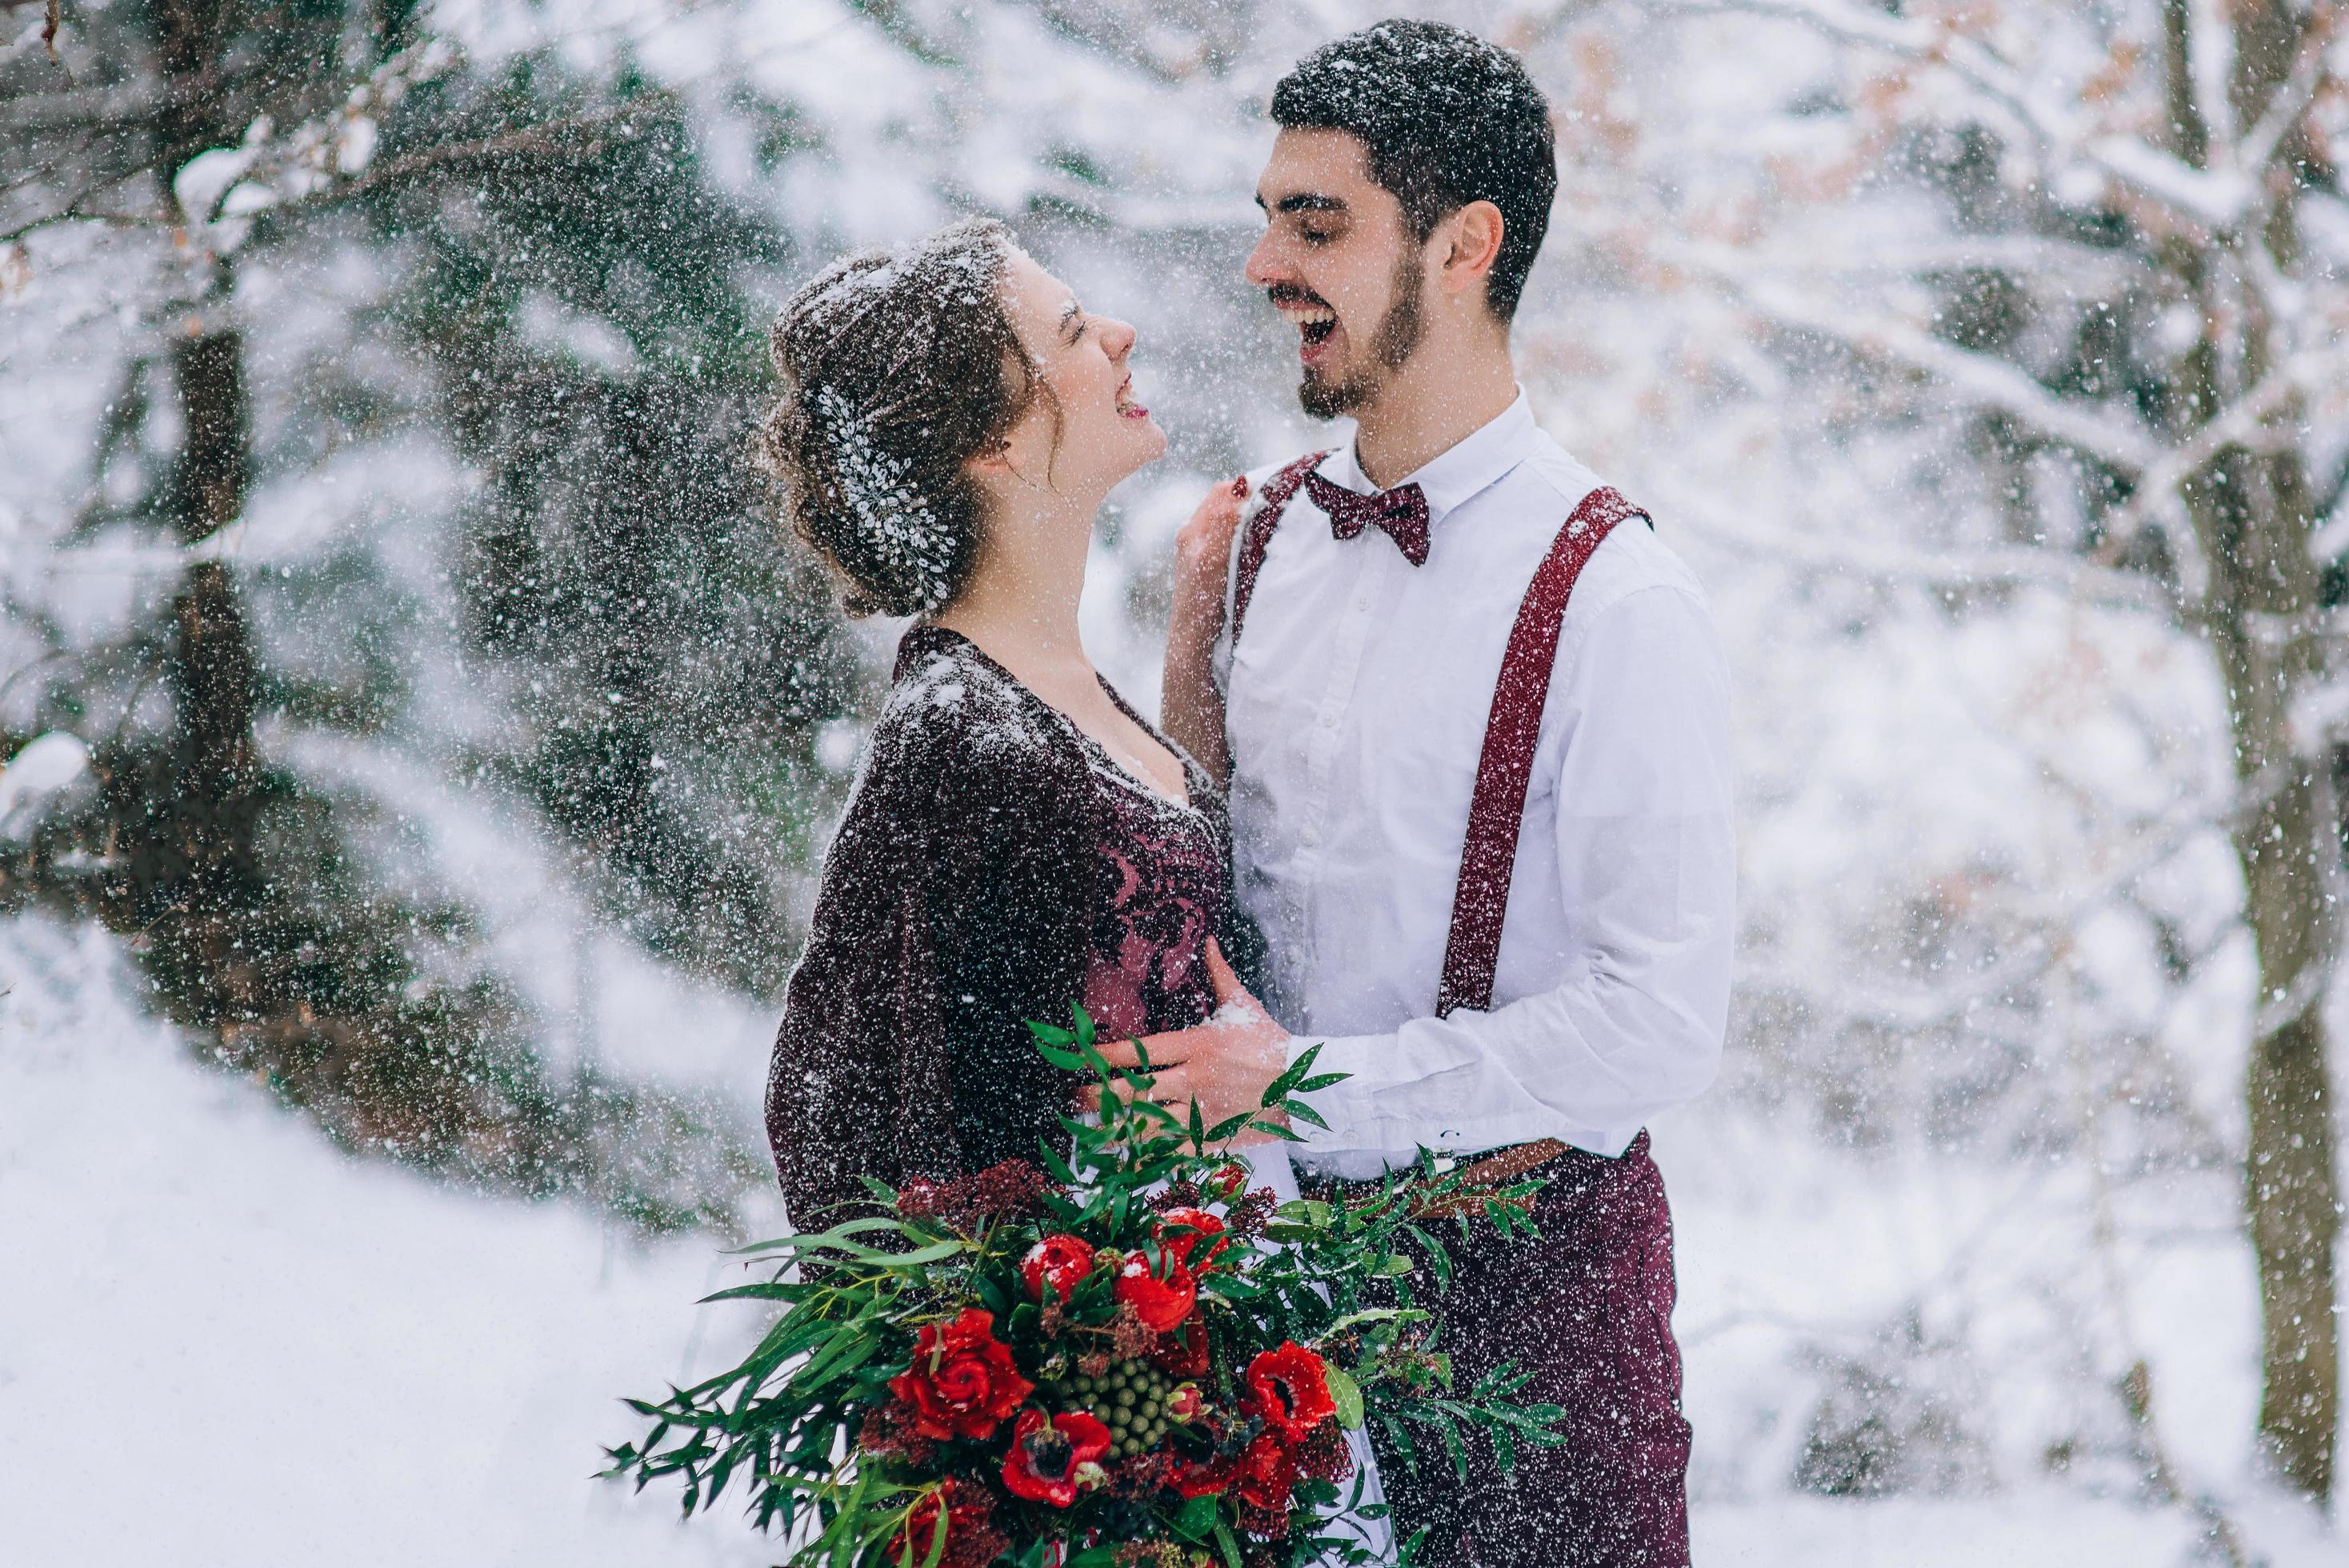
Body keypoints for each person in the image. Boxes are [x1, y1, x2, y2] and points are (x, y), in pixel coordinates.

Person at [1102, 22, 1739, 1568]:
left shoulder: (1617, 598)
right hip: (1249, 1299)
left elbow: (1660, 1021)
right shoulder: (1240, 548)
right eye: (1267, 215)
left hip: (1531, 1314)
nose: (1264, 265)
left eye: (1316, 224)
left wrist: (1310, 1088)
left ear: (1465, 248)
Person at [758, 215, 1282, 1223]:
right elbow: (846, 1107)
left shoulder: (1044, 692)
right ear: (993, 440)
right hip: (1111, 1339)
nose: (1121, 334)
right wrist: (1047, 1330)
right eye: (1077, 331)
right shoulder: (962, 736)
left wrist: (1195, 622)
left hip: (1192, 1307)